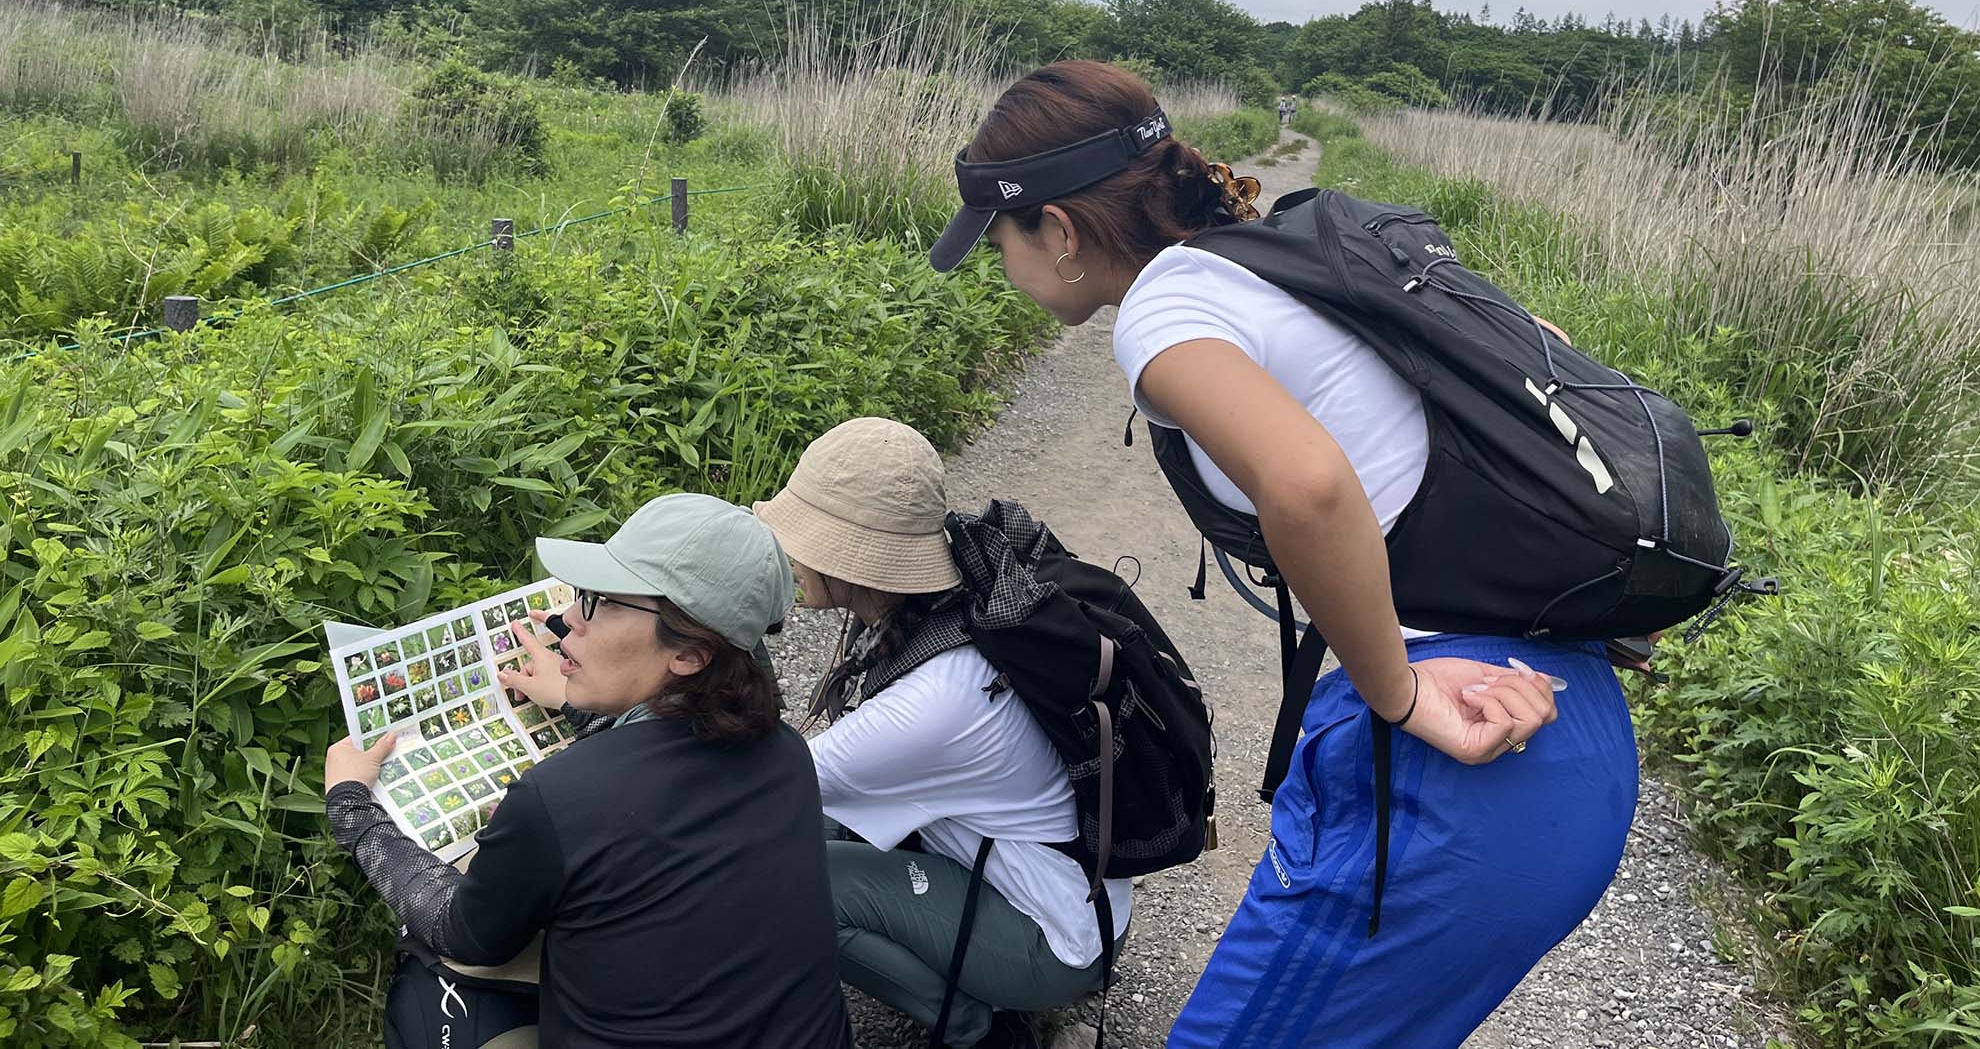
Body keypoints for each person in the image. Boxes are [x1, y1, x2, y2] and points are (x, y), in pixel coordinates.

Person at [927, 59, 1636, 1048]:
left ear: (1057, 229)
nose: (1002, 263)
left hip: (1457, 757)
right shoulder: (1278, 261)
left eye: (999, 238)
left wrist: (1395, 694)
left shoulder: (1166, 313)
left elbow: (1304, 483)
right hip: (1564, 720)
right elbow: (1542, 356)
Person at [323, 493, 853, 1049]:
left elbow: (464, 933)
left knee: (424, 991)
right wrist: (580, 699)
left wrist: (355, 808)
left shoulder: (560, 799)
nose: (567, 619)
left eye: (601, 602)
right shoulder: (787, 753)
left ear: (691, 655)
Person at [753, 417, 1131, 1049]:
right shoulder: (949, 608)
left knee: (783, 885)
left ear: (859, 560)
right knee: (796, 835)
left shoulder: (935, 702)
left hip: (1055, 939)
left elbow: (753, 787)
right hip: (1061, 883)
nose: (790, 551)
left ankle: (977, 1030)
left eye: (806, 535)